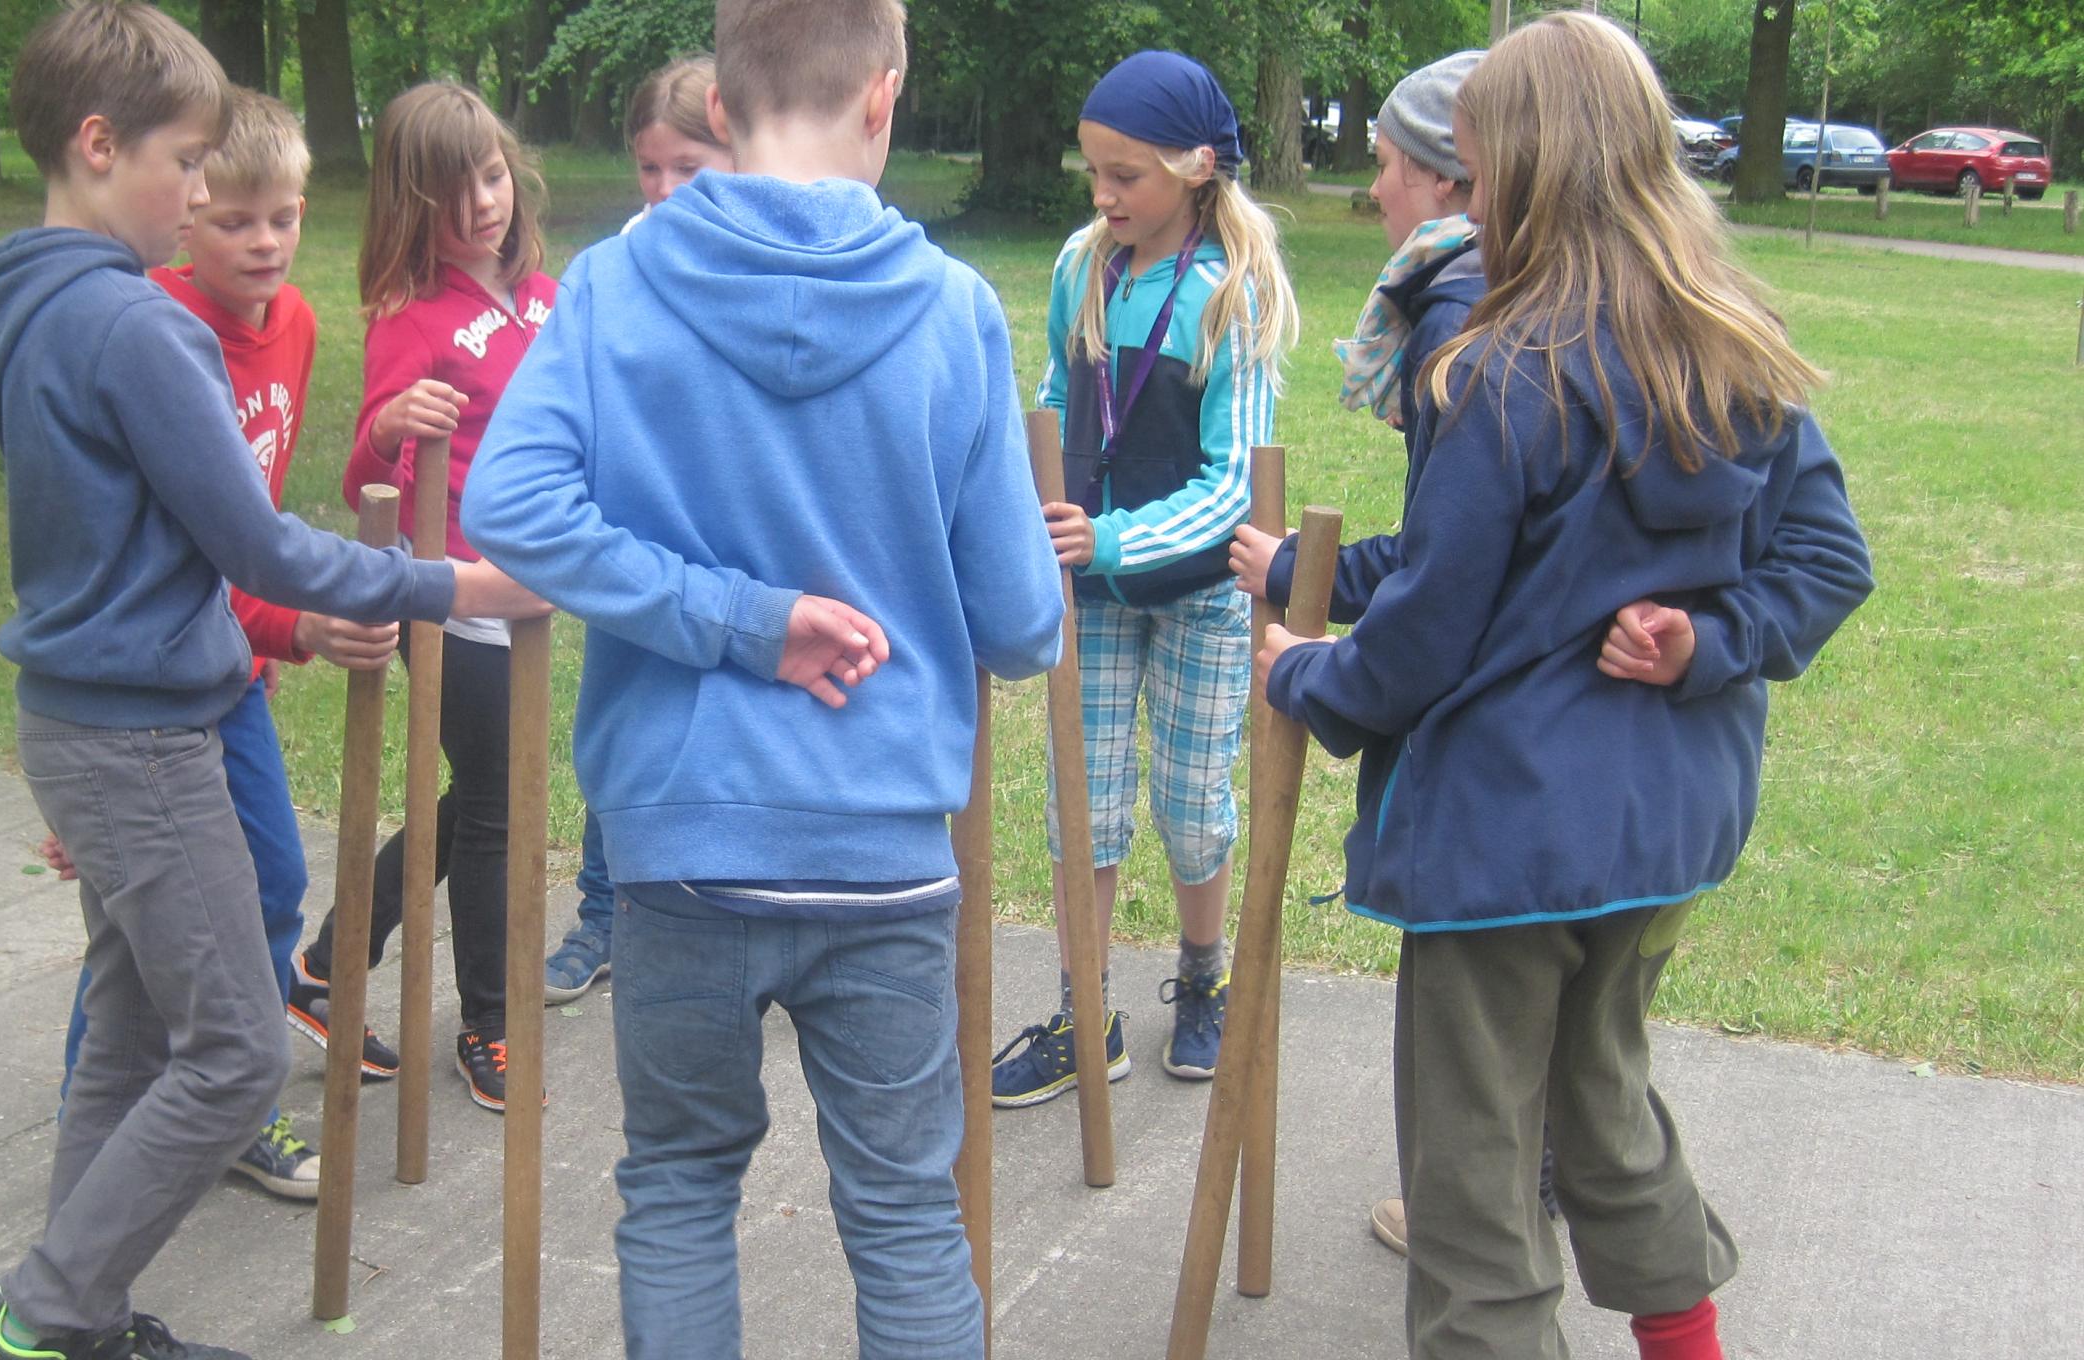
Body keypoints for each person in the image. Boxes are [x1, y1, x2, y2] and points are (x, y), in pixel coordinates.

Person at [1254, 15, 1874, 1359]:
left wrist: (1308, 676)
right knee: (1606, 1108)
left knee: (1473, 1182)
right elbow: (1827, 561)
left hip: (1512, 841)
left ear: (1522, 171)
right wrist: (1711, 648)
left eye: (1471, 169)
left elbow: (1425, 632)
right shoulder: (1734, 342)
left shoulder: (1498, 371)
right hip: (1663, 831)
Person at [460, 0, 1062, 1351]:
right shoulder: (954, 312)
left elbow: (514, 504)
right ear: (885, 98)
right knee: (908, 1212)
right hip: (886, 847)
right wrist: (764, 613)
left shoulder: (617, 284)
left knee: (676, 1186)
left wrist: (724, 615)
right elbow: (1023, 626)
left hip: (683, 845)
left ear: (719, 111)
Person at [0, 6, 539, 1358]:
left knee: (135, 1036)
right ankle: (40, 1317)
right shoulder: (138, 331)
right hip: (142, 735)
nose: (207, 191)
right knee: (231, 1054)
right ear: (99, 146)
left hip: (103, 717)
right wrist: (466, 588)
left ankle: (67, 1315)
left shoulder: (29, 304)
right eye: (187, 161)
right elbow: (259, 544)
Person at [41, 86, 368, 1206]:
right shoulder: (158, 332)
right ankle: (126, 1118)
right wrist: (294, 616)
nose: (265, 242)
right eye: (236, 219)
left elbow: (256, 518)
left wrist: (275, 628)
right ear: (186, 214)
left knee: (260, 884)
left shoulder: (301, 325)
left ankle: (211, 1112)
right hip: (152, 676)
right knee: (156, 929)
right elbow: (172, 548)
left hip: (232, 670)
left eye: (285, 216)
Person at [990, 49, 1300, 1108]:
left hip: (1203, 588)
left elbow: (1237, 488)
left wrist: (1113, 538)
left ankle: (1204, 979)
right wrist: (1039, 485)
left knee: (1191, 806)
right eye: (1094, 172)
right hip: (1094, 583)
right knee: (1084, 803)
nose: (1104, 195)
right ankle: (1087, 1016)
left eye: (1126, 175)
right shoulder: (1084, 267)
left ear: (1196, 167)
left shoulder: (1232, 293)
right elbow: (1050, 392)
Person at [1230, 46, 1500, 1260]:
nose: (1375, 193)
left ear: (1450, 179)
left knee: (1482, 1089)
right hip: (1662, 802)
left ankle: (1474, 1218)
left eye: (1388, 167)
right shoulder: (1581, 302)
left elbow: (1448, 595)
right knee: (1590, 1104)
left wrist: (1302, 663)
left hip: (1513, 795)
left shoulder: (1462, 322)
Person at [281, 81, 557, 1114]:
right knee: (492, 807)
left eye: (490, 175)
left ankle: (325, 959)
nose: (482, 203)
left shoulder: (543, 294)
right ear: (412, 207)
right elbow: (362, 481)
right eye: (453, 192)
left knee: (488, 799)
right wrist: (393, 419)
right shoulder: (411, 316)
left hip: (531, 583)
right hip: (447, 590)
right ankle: (486, 1022)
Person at [542, 50, 737, 1008]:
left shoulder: (750, 254)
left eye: (687, 168)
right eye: (649, 167)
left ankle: (748, 917)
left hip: (732, 536)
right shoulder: (618, 264)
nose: (663, 189)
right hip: (642, 545)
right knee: (629, 724)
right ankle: (601, 914)